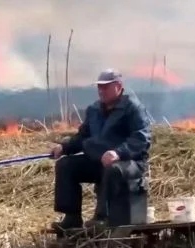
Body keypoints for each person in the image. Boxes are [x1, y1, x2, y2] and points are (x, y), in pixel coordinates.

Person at [50, 68, 152, 231]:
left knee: (112, 169)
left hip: (130, 163)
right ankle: (71, 217)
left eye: (105, 87)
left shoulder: (133, 108)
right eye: (99, 87)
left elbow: (141, 138)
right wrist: (64, 147)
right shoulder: (94, 110)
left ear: (118, 86)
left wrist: (118, 153)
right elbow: (83, 136)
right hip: (99, 162)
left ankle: (102, 217)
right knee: (66, 165)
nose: (100, 91)